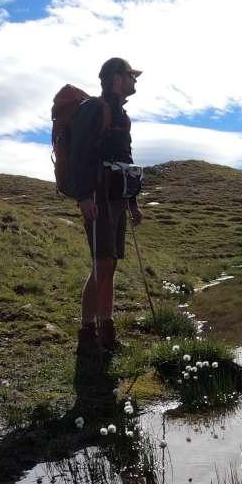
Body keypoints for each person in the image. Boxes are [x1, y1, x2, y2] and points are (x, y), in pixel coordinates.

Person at [70, 57, 144, 356]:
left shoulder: (121, 116)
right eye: (130, 75)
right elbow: (79, 156)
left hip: (116, 199)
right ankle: (103, 335)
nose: (134, 81)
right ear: (116, 77)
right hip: (99, 198)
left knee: (107, 265)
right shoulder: (95, 109)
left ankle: (91, 332)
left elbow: (125, 162)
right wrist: (84, 197)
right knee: (103, 264)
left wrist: (133, 204)